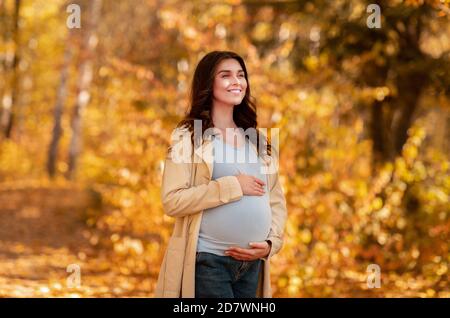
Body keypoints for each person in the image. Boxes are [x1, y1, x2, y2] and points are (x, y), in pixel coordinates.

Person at [155, 51, 287, 298]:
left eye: (240, 75)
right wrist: (232, 186)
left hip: (252, 266)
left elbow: (276, 201)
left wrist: (270, 245)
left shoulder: (258, 141)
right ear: (208, 83)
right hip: (209, 262)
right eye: (225, 75)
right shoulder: (189, 136)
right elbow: (172, 200)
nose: (236, 81)